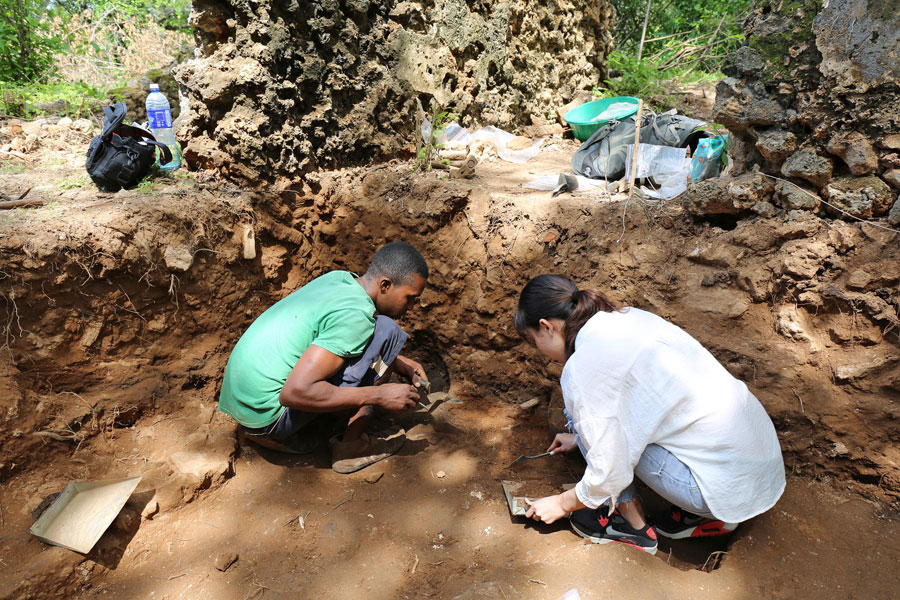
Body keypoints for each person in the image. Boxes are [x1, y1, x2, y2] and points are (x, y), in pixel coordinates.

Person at [515, 274, 785, 555]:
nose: (540, 350)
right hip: (755, 466)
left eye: (535, 340)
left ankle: (632, 526)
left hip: (719, 487)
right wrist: (579, 437)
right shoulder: (627, 317)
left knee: (603, 438)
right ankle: (709, 517)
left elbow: (610, 469)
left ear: (546, 326)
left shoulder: (582, 366)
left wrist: (562, 503)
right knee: (600, 428)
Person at [218, 241, 430, 474]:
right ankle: (350, 447)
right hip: (270, 418)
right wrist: (379, 394)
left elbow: (330, 333)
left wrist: (396, 360)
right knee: (387, 331)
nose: (411, 306)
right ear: (386, 285)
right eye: (410, 297)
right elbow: (294, 392)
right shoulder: (356, 317)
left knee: (381, 333)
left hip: (245, 404)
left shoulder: (339, 279)